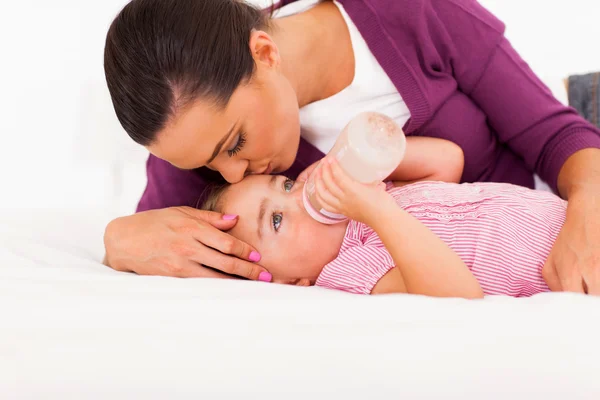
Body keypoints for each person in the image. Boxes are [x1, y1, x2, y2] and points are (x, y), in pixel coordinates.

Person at [103, 0, 600, 294]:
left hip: (582, 139)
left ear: (265, 53)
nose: (229, 175)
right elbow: (156, 235)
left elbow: (559, 137)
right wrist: (118, 239)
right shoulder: (203, 137)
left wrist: (588, 210)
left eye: (235, 144)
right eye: (207, 163)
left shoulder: (405, 12)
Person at [200, 145, 565, 298]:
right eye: (277, 220)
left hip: (571, 219)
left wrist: (361, 158)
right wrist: (377, 211)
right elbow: (459, 296)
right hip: (565, 267)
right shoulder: (350, 267)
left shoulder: (372, 195)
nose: (299, 197)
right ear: (291, 282)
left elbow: (447, 160)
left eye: (289, 184)